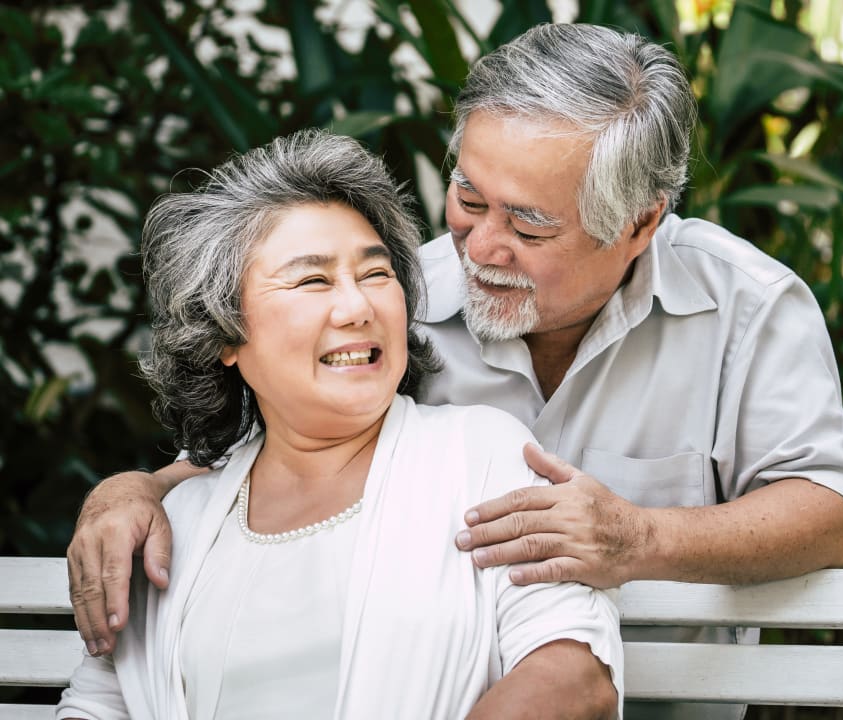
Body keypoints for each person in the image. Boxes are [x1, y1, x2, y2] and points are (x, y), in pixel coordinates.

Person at [66, 23, 843, 719]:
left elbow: (841, 517)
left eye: (528, 221)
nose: (481, 245)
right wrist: (136, 488)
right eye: (468, 194)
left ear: (639, 223)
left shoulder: (746, 304)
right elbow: (274, 448)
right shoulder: (393, 299)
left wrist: (638, 538)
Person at [57, 129, 622, 720]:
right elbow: (99, 706)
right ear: (225, 333)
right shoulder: (178, 525)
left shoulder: (481, 458)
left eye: (377, 275)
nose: (358, 308)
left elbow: (573, 677)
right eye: (312, 280)